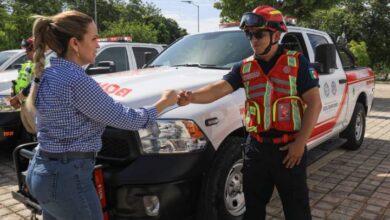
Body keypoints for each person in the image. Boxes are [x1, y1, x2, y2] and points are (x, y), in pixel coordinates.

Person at [24, 10, 177, 220]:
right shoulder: (77, 81)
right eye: (94, 38)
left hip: (42, 171)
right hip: (67, 179)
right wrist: (165, 102)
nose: (98, 44)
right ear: (75, 44)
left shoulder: (48, 73)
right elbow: (128, 119)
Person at [177, 5, 321, 220]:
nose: (253, 40)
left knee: (297, 209)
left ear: (276, 34)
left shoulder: (296, 62)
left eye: (259, 34)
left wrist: (300, 143)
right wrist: (192, 97)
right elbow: (219, 88)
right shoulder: (244, 67)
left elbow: (314, 103)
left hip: (288, 150)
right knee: (252, 208)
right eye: (249, 35)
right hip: (256, 149)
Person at [9, 37, 37, 136]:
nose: (26, 52)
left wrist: (17, 97)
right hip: (24, 105)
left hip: (34, 106)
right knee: (30, 135)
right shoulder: (27, 65)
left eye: (28, 49)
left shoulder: (43, 65)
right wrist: (14, 95)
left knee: (39, 135)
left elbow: (34, 85)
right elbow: (19, 83)